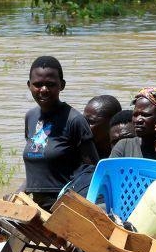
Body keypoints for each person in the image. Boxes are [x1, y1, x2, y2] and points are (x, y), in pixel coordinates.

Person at [22, 56, 99, 210]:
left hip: (66, 206)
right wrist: (20, 193)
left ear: (61, 85)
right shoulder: (31, 117)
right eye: (38, 84)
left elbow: (93, 171)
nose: (43, 90)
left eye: (50, 84)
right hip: (36, 206)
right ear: (29, 85)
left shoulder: (74, 120)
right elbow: (38, 167)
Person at [83, 94, 123, 159]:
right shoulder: (79, 148)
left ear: (112, 123)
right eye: (84, 120)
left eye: (91, 122)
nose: (84, 126)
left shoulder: (126, 150)